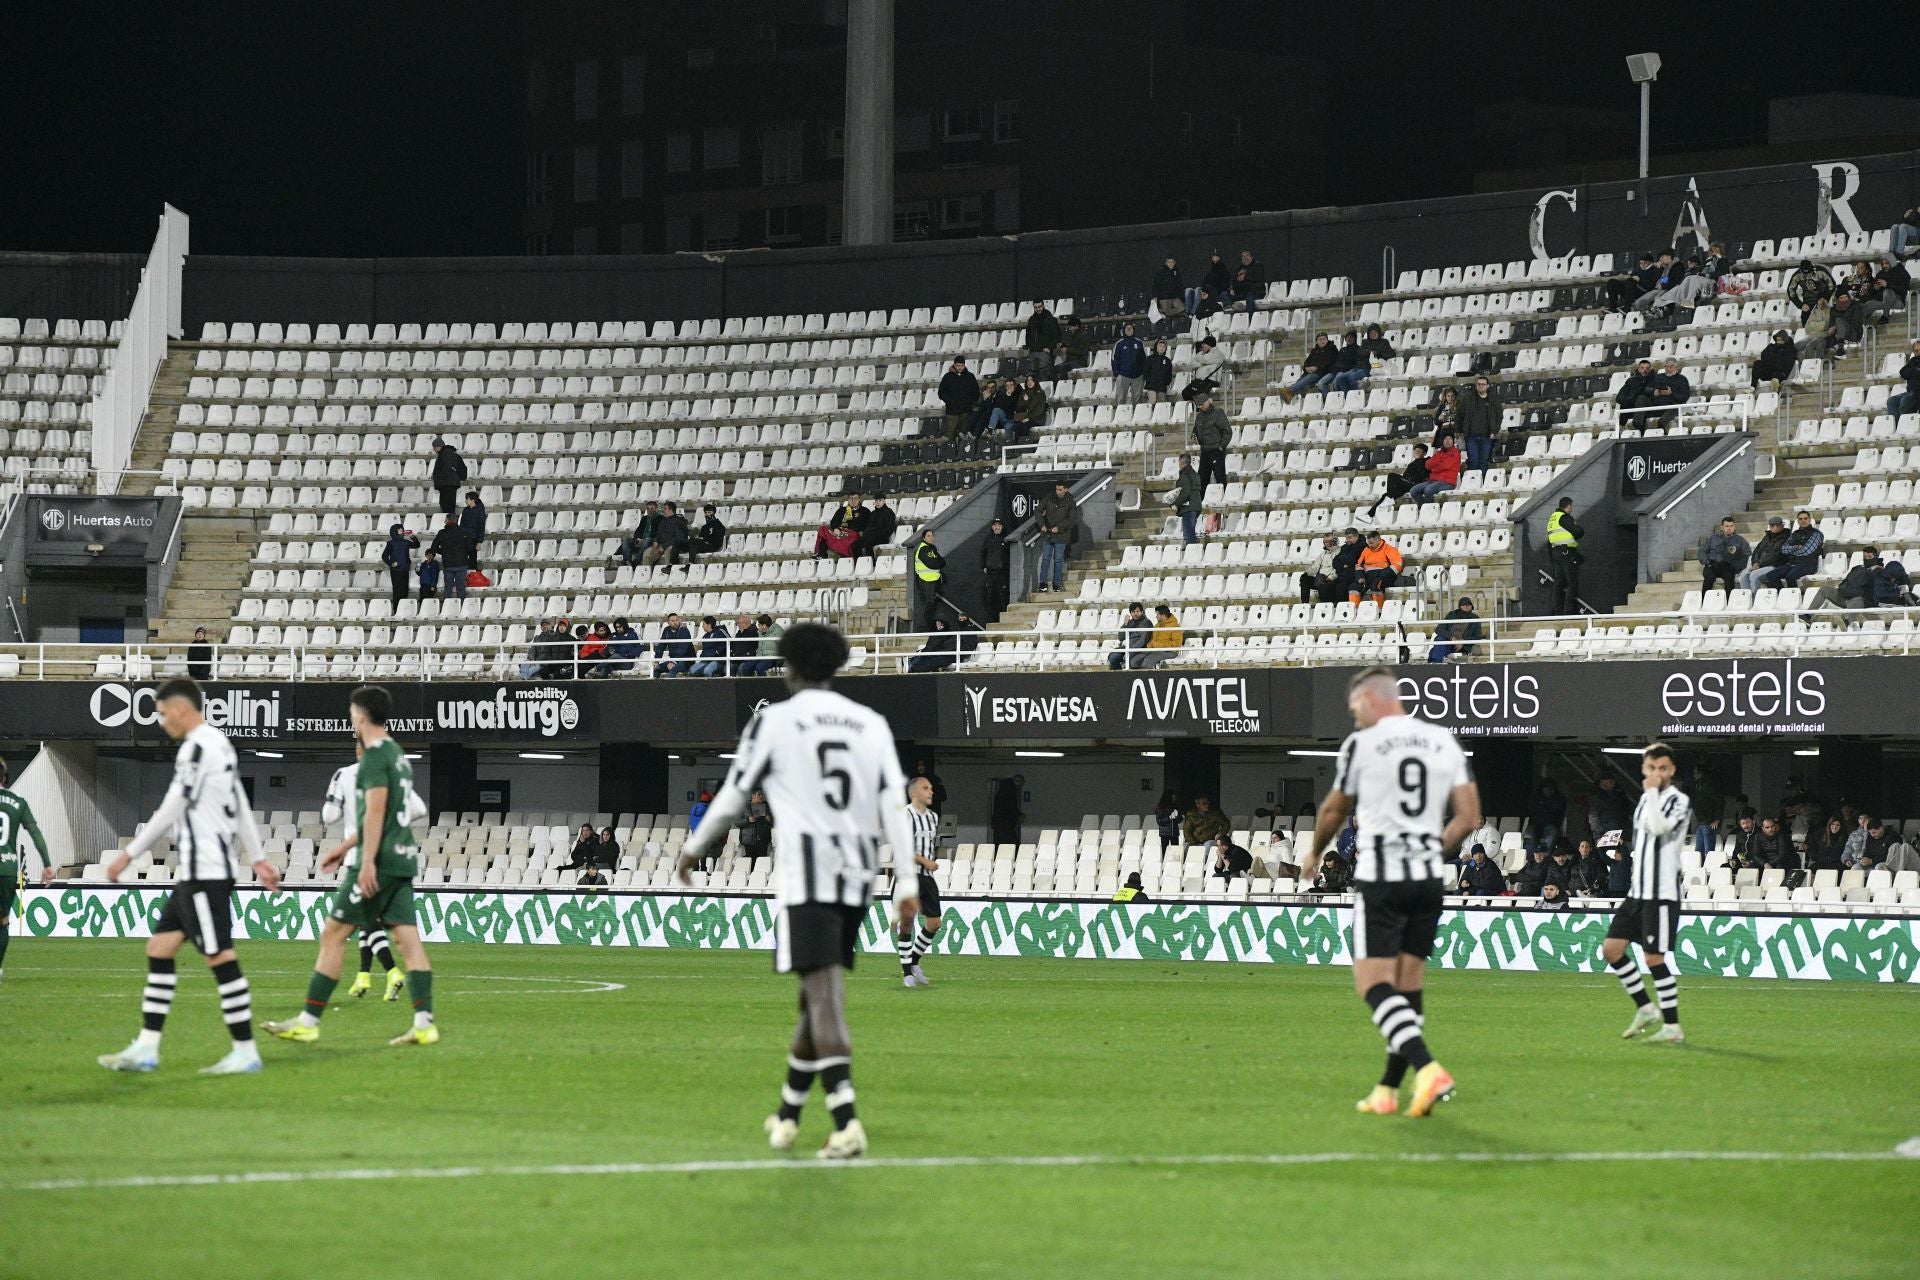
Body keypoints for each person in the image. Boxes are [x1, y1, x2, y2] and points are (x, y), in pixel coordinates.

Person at [673, 623, 917, 1160]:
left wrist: (695, 848)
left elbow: (737, 793)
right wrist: (908, 880)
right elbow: (893, 806)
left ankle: (847, 1122)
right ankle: (787, 1113)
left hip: (807, 877)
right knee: (814, 996)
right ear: (837, 665)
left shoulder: (774, 721)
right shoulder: (869, 723)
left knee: (824, 993)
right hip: (857, 876)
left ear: (788, 667)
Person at [1300, 666, 1478, 1118]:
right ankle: (1387, 1090)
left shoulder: (1363, 744)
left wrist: (1314, 853)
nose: (1354, 717)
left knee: (1373, 985)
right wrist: (1429, 848)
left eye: (1355, 707)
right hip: (1427, 878)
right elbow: (1469, 818)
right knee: (1408, 985)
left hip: (1382, 876)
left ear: (1374, 699)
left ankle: (1428, 1067)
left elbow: (1335, 809)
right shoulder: (1442, 740)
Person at [97, 678, 277, 1075]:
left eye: (162, 714)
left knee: (219, 956)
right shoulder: (220, 744)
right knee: (159, 948)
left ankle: (245, 1050)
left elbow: (173, 804)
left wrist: (129, 852)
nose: (161, 723)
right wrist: (259, 858)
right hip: (196, 874)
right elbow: (240, 805)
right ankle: (146, 1048)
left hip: (205, 872)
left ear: (180, 709)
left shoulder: (196, 747)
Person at [266, 685, 437, 1047]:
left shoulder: (373, 757)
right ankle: (424, 1024)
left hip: (381, 860)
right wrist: (345, 846)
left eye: (351, 713)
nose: (350, 719)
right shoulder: (398, 755)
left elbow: (375, 812)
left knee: (333, 933)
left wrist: (366, 861)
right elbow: (395, 814)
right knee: (409, 942)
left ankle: (309, 1021)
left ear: (360, 716)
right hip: (404, 858)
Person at [1603, 742, 1690, 1046]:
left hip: (1662, 893)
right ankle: (1645, 1007)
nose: (1656, 774)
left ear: (1672, 770)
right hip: (1638, 892)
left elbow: (1657, 828)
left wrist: (1651, 792)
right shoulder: (1644, 800)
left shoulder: (1679, 801)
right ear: (1643, 769)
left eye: (1662, 768)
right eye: (1651, 768)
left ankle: (1673, 1026)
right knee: (1611, 949)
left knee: (1653, 959)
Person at [324, 746, 418, 1005]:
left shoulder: (345, 775)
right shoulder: (392, 775)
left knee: (345, 927)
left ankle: (392, 972)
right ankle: (364, 975)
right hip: (387, 857)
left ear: (357, 751)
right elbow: (418, 808)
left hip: (360, 858)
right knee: (369, 919)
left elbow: (329, 816)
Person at [0, 758, 54, 983]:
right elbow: (35, 833)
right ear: (5, 777)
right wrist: (47, 864)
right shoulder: (17, 802)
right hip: (7, 868)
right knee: (3, 921)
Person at [895, 776, 946, 988]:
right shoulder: (905, 814)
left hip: (926, 877)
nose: (931, 791)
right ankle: (907, 973)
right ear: (914, 793)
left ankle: (914, 962)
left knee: (934, 923)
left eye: (931, 788)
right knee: (907, 922)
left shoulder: (933, 817)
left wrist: (927, 863)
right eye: (926, 788)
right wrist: (925, 861)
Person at [1035, 480, 1078, 594]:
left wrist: (1059, 527)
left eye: (1060, 489)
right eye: (1056, 489)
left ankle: (1056, 585)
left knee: (1058, 560)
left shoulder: (1071, 501)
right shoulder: (1049, 497)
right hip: (1048, 534)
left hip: (1062, 536)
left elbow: (1071, 519)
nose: (1057, 492)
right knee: (1045, 559)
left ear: (1066, 489)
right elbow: (1038, 510)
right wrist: (1042, 525)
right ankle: (1042, 584)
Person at [1546, 496, 1583, 613]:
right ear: (1568, 506)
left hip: (1556, 552)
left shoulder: (1553, 517)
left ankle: (1557, 611)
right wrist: (1577, 526)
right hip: (1566, 552)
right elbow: (1578, 532)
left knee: (1558, 583)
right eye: (1572, 506)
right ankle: (1568, 611)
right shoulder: (1564, 518)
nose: (1572, 509)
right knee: (1571, 582)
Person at [1456, 375, 1498, 472]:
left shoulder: (1493, 399)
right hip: (1471, 436)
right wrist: (1458, 430)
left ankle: (1481, 484)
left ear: (1487, 386)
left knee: (1483, 461)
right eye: (1478, 384)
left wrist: (1494, 431)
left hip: (1487, 436)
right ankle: (1472, 483)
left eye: (1483, 384)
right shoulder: (1467, 398)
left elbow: (1499, 416)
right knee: (1473, 461)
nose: (1480, 386)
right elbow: (1459, 414)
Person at [1698, 516, 1749, 594]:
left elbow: (1746, 554)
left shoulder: (1740, 540)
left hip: (1729, 566)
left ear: (1734, 527)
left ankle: (1729, 602)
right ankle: (1703, 601)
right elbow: (1701, 551)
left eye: (1731, 526)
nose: (1729, 528)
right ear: (1722, 527)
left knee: (1729, 579)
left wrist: (1736, 566)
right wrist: (1707, 562)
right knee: (1709, 578)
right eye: (1727, 526)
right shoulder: (1713, 538)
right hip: (1712, 565)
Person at [1350, 530, 1402, 606]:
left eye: (1371, 543)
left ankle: (1379, 610)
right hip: (1368, 576)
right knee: (1353, 588)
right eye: (1368, 543)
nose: (1369, 545)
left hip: (1384, 576)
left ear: (1378, 540)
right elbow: (1359, 565)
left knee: (1375, 585)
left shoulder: (1389, 549)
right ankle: (1355, 611)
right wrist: (1360, 576)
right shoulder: (1366, 550)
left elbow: (1398, 564)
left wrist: (1383, 574)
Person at [429, 513, 473, 602]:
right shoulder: (464, 531)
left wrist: (444, 552)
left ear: (448, 520)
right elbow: (470, 548)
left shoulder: (442, 533)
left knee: (448, 588)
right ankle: (461, 609)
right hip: (461, 563)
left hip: (448, 564)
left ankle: (446, 608)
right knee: (461, 589)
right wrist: (463, 553)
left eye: (445, 520)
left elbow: (434, 547)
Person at [1282, 334, 1338, 402]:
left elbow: (1330, 362)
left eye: (1324, 339)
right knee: (1301, 381)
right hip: (1311, 372)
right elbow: (1307, 361)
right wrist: (1306, 368)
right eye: (1320, 339)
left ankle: (1289, 390)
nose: (1322, 341)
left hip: (1324, 372)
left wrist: (1317, 368)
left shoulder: (1332, 348)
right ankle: (1290, 394)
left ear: (1327, 340)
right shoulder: (1315, 350)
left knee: (1308, 378)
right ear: (1317, 341)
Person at [1407, 433, 1460, 505]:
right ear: (1442, 441)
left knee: (1428, 490)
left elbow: (1445, 466)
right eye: (1445, 439)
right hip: (1433, 480)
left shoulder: (1456, 453)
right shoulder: (1438, 453)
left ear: (1453, 441)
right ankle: (1426, 505)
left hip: (1447, 482)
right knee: (1413, 491)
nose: (1447, 441)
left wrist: (1434, 467)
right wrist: (1438, 462)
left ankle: (1429, 509)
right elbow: (1427, 465)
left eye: (1450, 439)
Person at [1739, 516, 1790, 590]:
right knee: (1744, 575)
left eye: (1777, 525)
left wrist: (1760, 565)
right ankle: (1748, 598)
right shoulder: (1767, 537)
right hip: (1760, 566)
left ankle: (1755, 599)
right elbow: (1757, 551)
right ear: (1770, 526)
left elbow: (1777, 556)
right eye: (1772, 525)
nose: (1775, 527)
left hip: (1776, 566)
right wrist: (1755, 563)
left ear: (1782, 525)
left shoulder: (1787, 538)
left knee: (1754, 575)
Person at [1776, 510, 1824, 588]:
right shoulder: (1795, 533)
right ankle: (1782, 594)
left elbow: (1806, 551)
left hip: (1809, 564)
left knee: (1790, 576)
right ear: (1798, 521)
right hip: (1793, 563)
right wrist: (1796, 547)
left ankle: (1793, 597)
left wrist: (1791, 551)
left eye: (1805, 518)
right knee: (1771, 576)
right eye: (1800, 519)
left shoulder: (1816, 534)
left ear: (1809, 520)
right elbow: (1783, 549)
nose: (1803, 521)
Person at [1193, 395, 1231, 488]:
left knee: (1220, 478)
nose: (1200, 406)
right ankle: (1201, 501)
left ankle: (1223, 499)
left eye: (1201, 404)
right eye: (1198, 405)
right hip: (1204, 451)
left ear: (1208, 402)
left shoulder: (1218, 413)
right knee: (1201, 479)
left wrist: (1221, 447)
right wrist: (1194, 435)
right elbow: (1195, 429)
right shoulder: (1199, 417)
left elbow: (1227, 431)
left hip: (1216, 451)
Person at [938, 357, 980, 439]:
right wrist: (950, 402)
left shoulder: (970, 376)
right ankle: (951, 450)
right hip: (952, 411)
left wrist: (969, 402)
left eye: (962, 365)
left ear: (964, 365)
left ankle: (963, 451)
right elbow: (941, 392)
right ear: (954, 365)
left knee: (964, 433)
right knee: (951, 432)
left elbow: (976, 392)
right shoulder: (947, 377)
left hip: (966, 410)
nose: (960, 367)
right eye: (958, 365)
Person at [1430, 597, 1481, 663]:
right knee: (1439, 639)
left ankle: (1435, 666)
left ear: (1472, 606)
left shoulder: (1475, 618)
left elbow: (1477, 636)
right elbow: (1438, 629)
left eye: (1469, 604)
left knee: (1434, 651)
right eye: (1464, 604)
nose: (1467, 606)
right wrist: (1452, 638)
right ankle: (1436, 664)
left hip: (1462, 647)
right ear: (1460, 606)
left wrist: (1463, 642)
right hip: (1448, 643)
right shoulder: (1452, 615)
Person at [912, 529, 945, 630]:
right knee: (928, 604)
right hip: (925, 581)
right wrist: (938, 563)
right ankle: (922, 627)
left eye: (932, 535)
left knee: (931, 605)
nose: (931, 537)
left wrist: (938, 562)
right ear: (923, 538)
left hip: (933, 581)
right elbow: (933, 564)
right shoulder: (923, 549)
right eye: (928, 536)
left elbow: (943, 562)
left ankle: (926, 626)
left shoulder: (932, 548)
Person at [1298, 533, 1345, 604]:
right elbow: (1315, 567)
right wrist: (1306, 573)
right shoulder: (1323, 553)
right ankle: (1305, 604)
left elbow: (1339, 568)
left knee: (1324, 587)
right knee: (1305, 580)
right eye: (1326, 542)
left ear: (1335, 541)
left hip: (1331, 579)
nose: (1328, 543)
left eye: (1330, 541)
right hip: (1320, 579)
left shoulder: (1340, 551)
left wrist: (1330, 577)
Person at [381, 522, 420, 607]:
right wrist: (391, 564)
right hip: (396, 570)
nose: (402, 530)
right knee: (397, 590)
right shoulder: (391, 543)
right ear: (394, 531)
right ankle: (396, 609)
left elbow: (417, 545)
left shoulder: (405, 542)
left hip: (405, 569)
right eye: (399, 529)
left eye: (402, 529)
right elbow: (384, 556)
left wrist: (412, 536)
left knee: (404, 590)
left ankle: (403, 609)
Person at [1168, 455, 1204, 545]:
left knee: (1189, 535)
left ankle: (1192, 555)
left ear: (1181, 463)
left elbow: (1185, 493)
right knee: (1191, 532)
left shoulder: (1184, 475)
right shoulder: (1195, 474)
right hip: (1196, 506)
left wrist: (1175, 504)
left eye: (1179, 462)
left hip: (1189, 508)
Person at [1182, 335, 1229, 404]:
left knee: (1201, 396)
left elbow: (1205, 359)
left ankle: (1201, 410)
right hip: (1199, 381)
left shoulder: (1218, 354)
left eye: (1204, 344)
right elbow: (1192, 363)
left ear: (1209, 345)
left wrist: (1200, 361)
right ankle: (1194, 407)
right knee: (1185, 393)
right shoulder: (1202, 354)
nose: (1202, 345)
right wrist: (1201, 364)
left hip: (1211, 381)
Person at [1107, 602, 1153, 669]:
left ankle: (1128, 677)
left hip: (1140, 648)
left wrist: (1129, 650)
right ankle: (1118, 675)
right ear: (1130, 613)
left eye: (1137, 611)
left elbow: (1143, 641)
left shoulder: (1147, 622)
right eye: (1133, 612)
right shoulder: (1130, 622)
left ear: (1142, 612)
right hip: (1127, 647)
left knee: (1130, 661)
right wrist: (1125, 624)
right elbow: (1121, 637)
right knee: (1113, 656)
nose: (1135, 614)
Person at [430, 436, 467, 516]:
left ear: (438, 446)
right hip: (448, 485)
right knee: (447, 507)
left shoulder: (446, 453)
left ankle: (452, 526)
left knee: (447, 508)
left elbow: (446, 469)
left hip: (447, 485)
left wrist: (439, 478)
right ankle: (451, 525)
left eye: (434, 447)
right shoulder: (447, 453)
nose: (434, 449)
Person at [645, 500, 689, 568]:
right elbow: (658, 534)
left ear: (671, 510)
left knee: (669, 551)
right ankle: (648, 575)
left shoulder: (679, 521)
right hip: (660, 545)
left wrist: (664, 546)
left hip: (673, 546)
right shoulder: (663, 521)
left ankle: (670, 573)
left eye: (665, 509)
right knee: (647, 554)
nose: (663, 510)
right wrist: (655, 541)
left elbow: (678, 538)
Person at [1112, 322, 1147, 403]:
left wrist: (1143, 372)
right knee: (1120, 399)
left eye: (1130, 328)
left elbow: (1144, 359)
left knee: (1137, 400)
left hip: (1137, 376)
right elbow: (1114, 359)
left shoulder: (1139, 343)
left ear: (1133, 330)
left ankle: (1137, 415)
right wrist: (1116, 373)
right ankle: (1120, 415)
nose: (1128, 329)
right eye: (1127, 328)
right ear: (1124, 330)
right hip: (1123, 375)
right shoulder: (1119, 344)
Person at [653, 612, 695, 677]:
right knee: (657, 668)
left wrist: (674, 661)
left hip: (686, 661)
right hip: (674, 660)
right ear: (668, 622)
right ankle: (656, 687)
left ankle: (671, 687)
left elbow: (682, 649)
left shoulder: (684, 631)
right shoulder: (666, 630)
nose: (675, 622)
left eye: (677, 620)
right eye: (672, 621)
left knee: (672, 670)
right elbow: (661, 646)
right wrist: (656, 661)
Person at [620, 500, 661, 567]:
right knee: (627, 540)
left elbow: (658, 533)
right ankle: (627, 561)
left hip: (651, 542)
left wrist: (644, 540)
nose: (649, 510)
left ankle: (635, 563)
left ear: (656, 509)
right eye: (648, 509)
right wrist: (637, 538)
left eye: (652, 509)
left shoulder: (660, 518)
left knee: (648, 539)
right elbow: (638, 530)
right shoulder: (644, 518)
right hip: (641, 541)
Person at [1010, 373, 1048, 444]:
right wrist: (1025, 401)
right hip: (1025, 418)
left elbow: (1039, 409)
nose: (1029, 382)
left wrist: (1029, 418)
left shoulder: (1040, 393)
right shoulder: (1024, 392)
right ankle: (1017, 447)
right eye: (1027, 380)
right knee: (1017, 426)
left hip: (1037, 419)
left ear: (1035, 381)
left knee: (1023, 426)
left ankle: (1024, 447)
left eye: (1031, 380)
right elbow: (1019, 407)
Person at [737, 790, 773, 861]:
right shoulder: (744, 807)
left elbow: (773, 823)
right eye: (759, 794)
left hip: (763, 841)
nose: (761, 796)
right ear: (753, 795)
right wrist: (748, 820)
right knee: (750, 864)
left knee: (762, 864)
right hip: (749, 841)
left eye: (762, 794)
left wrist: (769, 819)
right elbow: (737, 822)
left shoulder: (767, 806)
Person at [858, 494, 897, 560]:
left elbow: (889, 529)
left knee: (868, 544)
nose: (878, 502)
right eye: (876, 500)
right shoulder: (873, 513)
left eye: (880, 500)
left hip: (883, 537)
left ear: (884, 501)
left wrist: (875, 535)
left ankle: (873, 563)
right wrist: (865, 534)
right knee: (856, 544)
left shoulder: (889, 512)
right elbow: (869, 527)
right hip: (871, 536)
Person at [990, 774, 1025, 848]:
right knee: (1011, 845)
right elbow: (1010, 807)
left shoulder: (1002, 791)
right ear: (1017, 782)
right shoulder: (1010, 792)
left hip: (1000, 824)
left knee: (1001, 844)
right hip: (1005, 825)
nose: (1019, 788)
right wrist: (1018, 815)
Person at [1889, 340, 1920, 421]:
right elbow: (1903, 372)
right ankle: (1896, 425)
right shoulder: (1913, 360)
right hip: (1911, 392)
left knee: (1905, 400)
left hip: (1917, 393)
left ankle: (1904, 423)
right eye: (1916, 351)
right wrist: (1916, 371)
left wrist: (1912, 372)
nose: (1919, 352)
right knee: (1891, 401)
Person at [459, 490, 488, 572]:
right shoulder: (465, 510)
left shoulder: (480, 510)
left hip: (474, 539)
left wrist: (479, 541)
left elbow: (481, 526)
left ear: (472, 500)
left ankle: (473, 577)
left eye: (467, 499)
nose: (465, 501)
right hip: (465, 538)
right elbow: (462, 524)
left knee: (472, 560)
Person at [1143, 337, 1175, 403]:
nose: (1162, 348)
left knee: (1161, 404)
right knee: (1152, 401)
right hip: (1151, 386)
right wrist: (1149, 380)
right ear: (1156, 346)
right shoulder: (1149, 359)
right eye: (1160, 346)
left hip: (1162, 387)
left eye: (1164, 347)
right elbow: (1145, 371)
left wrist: (1166, 382)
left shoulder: (1167, 361)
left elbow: (1169, 375)